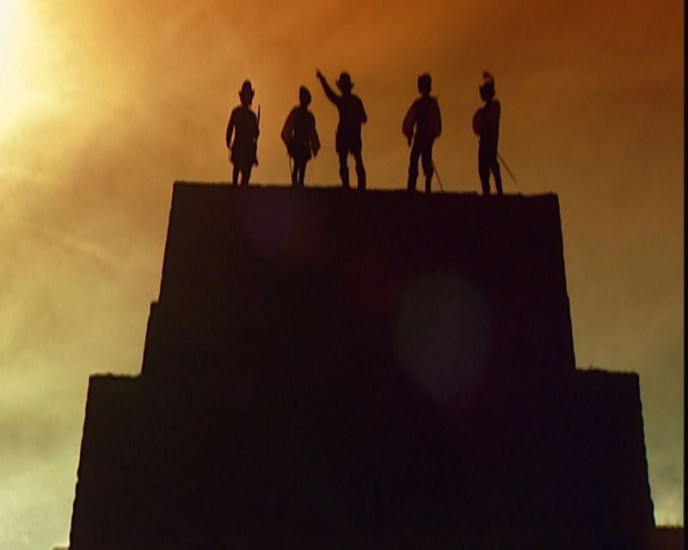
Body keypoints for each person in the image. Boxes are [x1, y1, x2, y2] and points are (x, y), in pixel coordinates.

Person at [315, 69, 367, 189]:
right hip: (348, 132)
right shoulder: (352, 101)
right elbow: (364, 118)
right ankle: (353, 185)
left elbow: (364, 118)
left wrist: (322, 80)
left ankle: (355, 185)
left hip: (349, 132)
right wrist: (322, 80)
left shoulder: (348, 101)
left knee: (353, 159)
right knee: (348, 159)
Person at [402, 73, 442, 192]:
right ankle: (415, 186)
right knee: (417, 158)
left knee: (422, 158)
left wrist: (411, 134)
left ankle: (419, 186)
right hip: (423, 135)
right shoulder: (422, 103)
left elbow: (433, 120)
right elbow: (412, 120)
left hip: (424, 135)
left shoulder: (427, 103)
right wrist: (410, 135)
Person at [281, 86, 321, 187]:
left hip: (304, 143)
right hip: (297, 143)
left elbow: (312, 132)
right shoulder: (296, 113)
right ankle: (295, 183)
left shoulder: (309, 116)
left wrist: (315, 145)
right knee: (297, 165)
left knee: (302, 166)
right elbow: (288, 126)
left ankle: (300, 184)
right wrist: (288, 141)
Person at [472, 71, 502, 195]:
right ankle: (486, 191)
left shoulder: (495, 105)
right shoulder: (484, 110)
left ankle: (499, 190)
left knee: (492, 163)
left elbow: (490, 122)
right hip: (485, 141)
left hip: (491, 140)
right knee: (483, 167)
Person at [226, 80, 259, 186]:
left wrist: (256, 132)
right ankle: (235, 187)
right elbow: (230, 127)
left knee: (246, 172)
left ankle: (242, 187)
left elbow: (254, 134)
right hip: (239, 144)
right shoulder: (237, 112)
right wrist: (228, 140)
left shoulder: (252, 116)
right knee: (237, 167)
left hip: (248, 147)